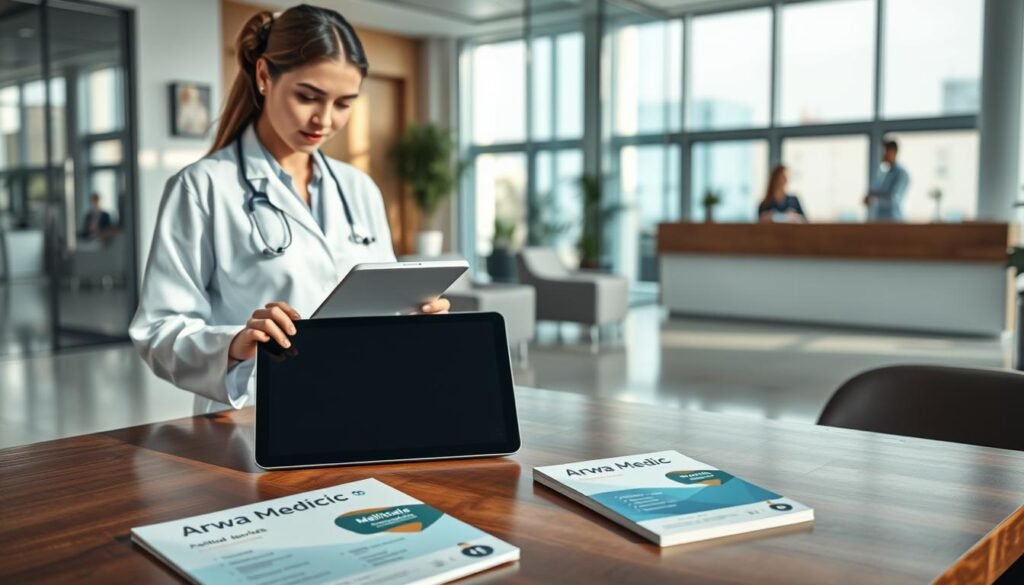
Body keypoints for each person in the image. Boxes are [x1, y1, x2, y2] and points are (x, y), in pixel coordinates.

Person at [130, 5, 449, 414]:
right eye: (307, 97)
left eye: (344, 104)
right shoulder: (202, 187)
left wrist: (414, 318)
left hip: (363, 405)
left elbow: (379, 310)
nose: (324, 120)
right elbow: (159, 330)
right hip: (255, 417)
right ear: (264, 76)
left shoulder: (360, 189)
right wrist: (236, 343)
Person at [864, 139, 909, 221]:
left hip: (893, 221)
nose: (881, 154)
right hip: (880, 221)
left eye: (884, 151)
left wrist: (873, 200)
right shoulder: (884, 173)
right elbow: (875, 192)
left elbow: (894, 200)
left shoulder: (901, 173)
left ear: (893, 152)